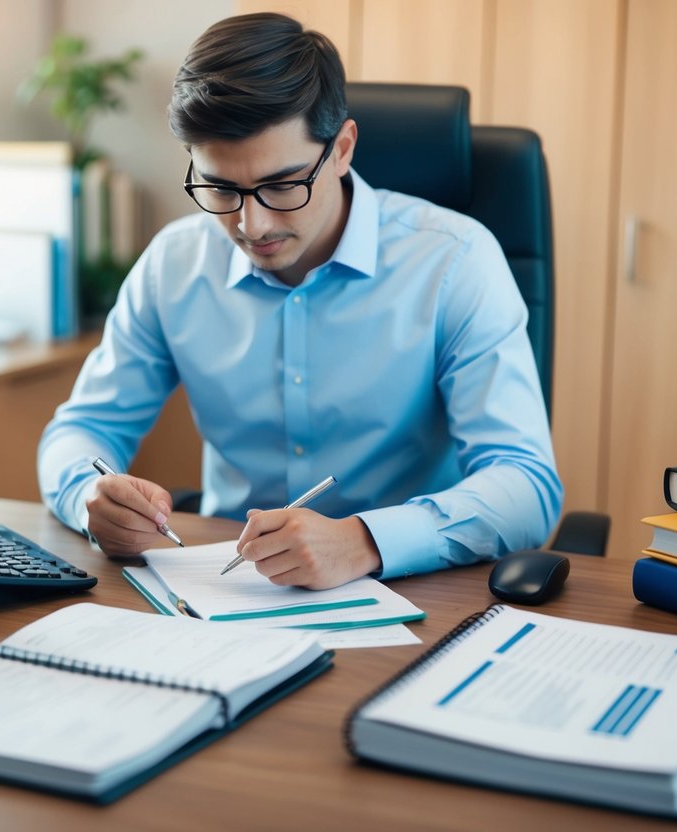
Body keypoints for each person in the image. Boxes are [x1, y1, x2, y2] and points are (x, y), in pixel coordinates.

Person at [38, 12, 562, 590]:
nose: (251, 223)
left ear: (341, 149)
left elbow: (525, 484)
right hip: (226, 592)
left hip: (412, 591)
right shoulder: (173, 266)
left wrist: (362, 541)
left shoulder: (455, 261)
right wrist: (91, 495)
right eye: (220, 188)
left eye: (282, 185)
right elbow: (81, 430)